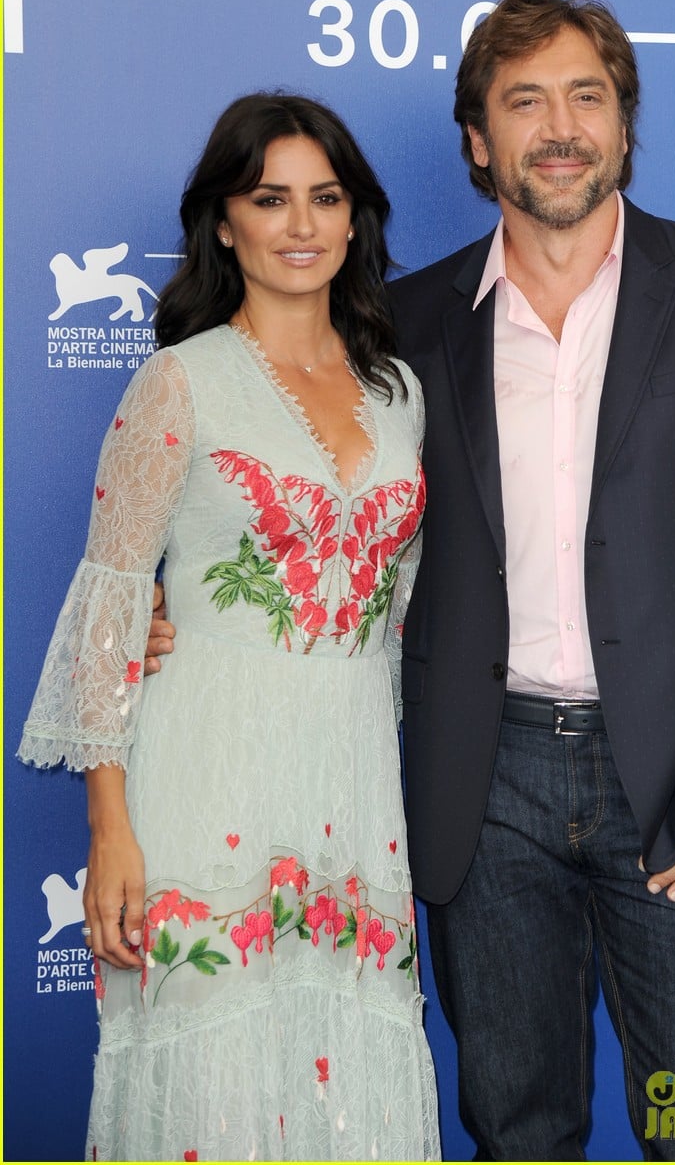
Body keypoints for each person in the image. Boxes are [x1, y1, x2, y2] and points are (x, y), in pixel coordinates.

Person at [146, 0, 675, 1161]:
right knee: (516, 1128)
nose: (558, 127)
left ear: (619, 125)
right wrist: (175, 603)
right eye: (523, 102)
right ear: (476, 141)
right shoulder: (402, 324)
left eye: (584, 97)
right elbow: (311, 493)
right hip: (477, 780)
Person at [19, 93, 439, 1163]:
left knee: (347, 1076)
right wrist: (109, 828)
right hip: (205, 769)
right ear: (223, 222)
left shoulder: (399, 395)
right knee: (212, 1083)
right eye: (269, 198)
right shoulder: (178, 382)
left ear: (354, 220)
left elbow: (396, 609)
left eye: (324, 197)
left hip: (348, 782)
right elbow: (112, 606)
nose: (299, 224)